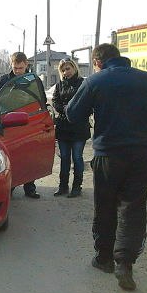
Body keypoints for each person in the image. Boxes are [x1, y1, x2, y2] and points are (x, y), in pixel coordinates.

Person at [66, 43, 147, 291]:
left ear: (98, 62)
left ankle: (104, 258)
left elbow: (72, 113)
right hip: (140, 154)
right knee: (133, 207)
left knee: (105, 205)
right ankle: (125, 262)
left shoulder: (96, 81)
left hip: (108, 155)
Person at [0, 51, 45, 199]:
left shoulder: (34, 80)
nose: (17, 71)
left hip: (30, 123)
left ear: (26, 65)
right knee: (13, 157)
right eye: (15, 68)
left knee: (30, 156)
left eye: (20, 68)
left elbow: (41, 100)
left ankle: (30, 187)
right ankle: (11, 186)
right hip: (10, 124)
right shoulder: (4, 80)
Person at [51, 58, 90, 198]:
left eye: (68, 68)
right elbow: (55, 101)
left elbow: (87, 103)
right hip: (63, 127)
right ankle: (63, 186)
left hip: (79, 127)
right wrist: (65, 110)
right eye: (63, 70)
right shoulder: (59, 85)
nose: (66, 72)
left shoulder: (83, 83)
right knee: (64, 158)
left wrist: (73, 111)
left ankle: (76, 186)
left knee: (77, 157)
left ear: (74, 68)